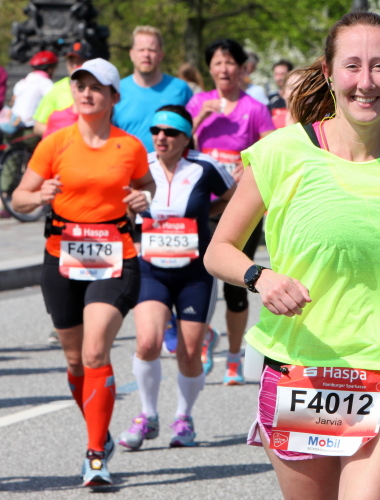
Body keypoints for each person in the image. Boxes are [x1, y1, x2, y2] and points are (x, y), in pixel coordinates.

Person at [203, 12, 380, 499]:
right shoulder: (280, 153)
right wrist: (261, 277)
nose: (366, 82)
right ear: (328, 72)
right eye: (352, 66)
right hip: (298, 370)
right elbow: (219, 250)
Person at [11, 58, 154, 486]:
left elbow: (146, 186)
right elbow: (18, 197)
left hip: (115, 258)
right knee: (75, 361)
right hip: (62, 258)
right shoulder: (55, 144)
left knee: (94, 352)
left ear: (113, 97)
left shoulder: (130, 147)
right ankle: (101, 431)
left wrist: (144, 199)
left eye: (96, 87)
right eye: (80, 86)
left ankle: (95, 457)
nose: (86, 93)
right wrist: (39, 196)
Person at [118, 105, 236, 451]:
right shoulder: (141, 167)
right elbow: (121, 210)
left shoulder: (204, 166)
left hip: (194, 273)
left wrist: (204, 216)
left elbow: (233, 198)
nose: (161, 137)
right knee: (147, 343)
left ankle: (184, 417)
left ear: (186, 138)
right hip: (151, 269)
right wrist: (130, 214)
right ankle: (147, 415)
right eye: (156, 131)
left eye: (170, 132)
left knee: (188, 353)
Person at [186, 38, 275, 385]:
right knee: (199, 280)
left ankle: (234, 357)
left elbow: (271, 150)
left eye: (229, 63)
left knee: (237, 284)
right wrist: (197, 120)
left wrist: (248, 165)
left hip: (240, 207)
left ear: (241, 68)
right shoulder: (198, 103)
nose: (224, 69)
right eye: (217, 63)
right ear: (209, 68)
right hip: (202, 205)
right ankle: (206, 335)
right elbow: (176, 145)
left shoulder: (255, 108)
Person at [114, 26, 193, 152]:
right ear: (131, 54)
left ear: (161, 54)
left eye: (152, 50)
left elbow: (194, 131)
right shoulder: (116, 91)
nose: (146, 54)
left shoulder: (180, 89)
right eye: (141, 50)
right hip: (127, 162)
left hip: (171, 164)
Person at [0, 50, 57, 136]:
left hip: (12, 123)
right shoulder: (46, 83)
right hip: (26, 128)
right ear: (50, 69)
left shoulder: (22, 82)